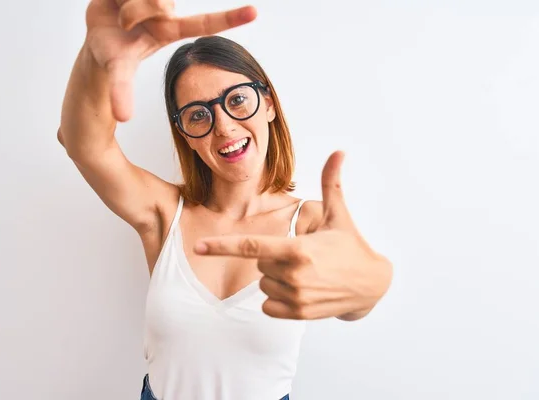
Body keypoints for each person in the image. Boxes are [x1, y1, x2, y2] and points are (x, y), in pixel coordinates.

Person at [57, 1, 394, 399]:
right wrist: (95, 58)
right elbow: (85, 145)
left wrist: (371, 287)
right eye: (198, 115)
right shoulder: (164, 213)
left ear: (267, 103)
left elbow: (363, 276)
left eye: (236, 100)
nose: (224, 127)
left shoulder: (306, 224)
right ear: (185, 134)